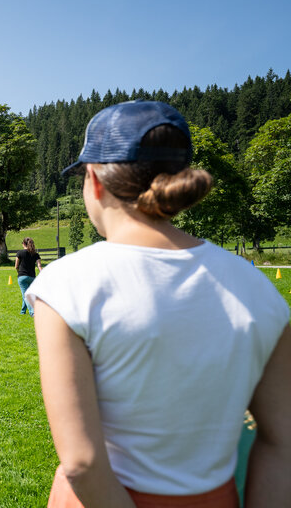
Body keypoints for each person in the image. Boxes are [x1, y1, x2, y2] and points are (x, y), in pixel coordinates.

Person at [26, 100, 290, 507]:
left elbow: (82, 463)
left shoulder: (67, 283)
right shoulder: (258, 289)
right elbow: (282, 442)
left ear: (94, 180)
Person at [14, 237, 42, 316]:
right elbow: (39, 265)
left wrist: (18, 272)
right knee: (27, 294)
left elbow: (16, 266)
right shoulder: (35, 254)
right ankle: (23, 311)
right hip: (32, 277)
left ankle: (32, 312)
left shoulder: (19, 253)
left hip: (22, 277)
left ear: (24, 244)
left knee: (26, 295)